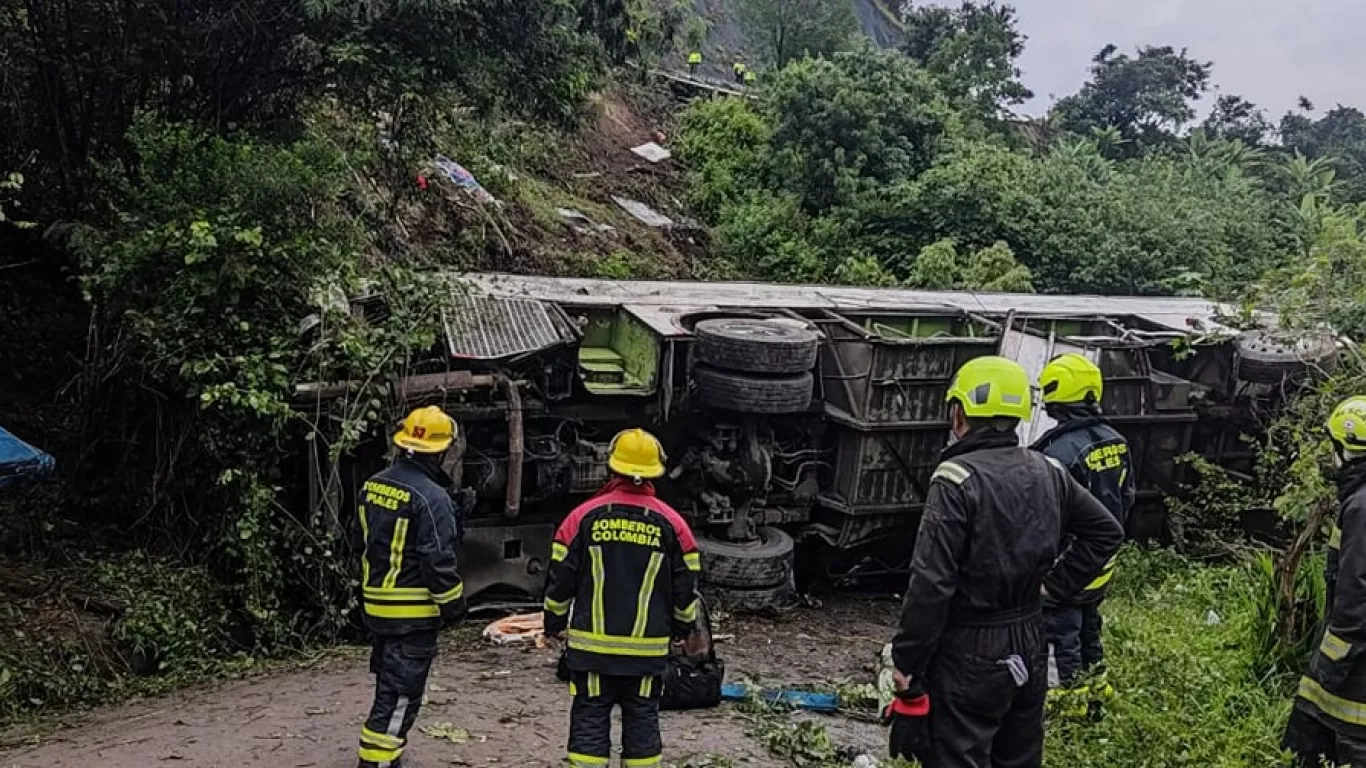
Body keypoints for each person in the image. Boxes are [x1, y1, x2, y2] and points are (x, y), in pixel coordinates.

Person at [887, 356, 1124, 768]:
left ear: (959, 412)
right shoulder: (1048, 468)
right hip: (1029, 641)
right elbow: (1106, 531)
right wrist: (1054, 587)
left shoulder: (956, 479)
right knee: (1019, 758)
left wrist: (907, 666)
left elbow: (931, 584)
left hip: (970, 650)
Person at [543, 428, 702, 768]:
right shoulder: (674, 525)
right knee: (643, 719)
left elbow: (559, 581)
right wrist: (683, 628)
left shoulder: (581, 518)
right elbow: (686, 589)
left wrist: (553, 623)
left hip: (592, 650)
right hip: (645, 653)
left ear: (611, 468)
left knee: (590, 717)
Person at [353, 406, 469, 768]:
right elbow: (437, 561)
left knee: (388, 684)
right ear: (441, 450)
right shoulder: (432, 498)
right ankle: (376, 761)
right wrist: (454, 607)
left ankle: (384, 756)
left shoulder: (373, 485)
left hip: (376, 607)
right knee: (401, 693)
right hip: (413, 613)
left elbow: (359, 541)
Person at [1031, 354, 1135, 711]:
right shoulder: (1116, 441)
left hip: (1065, 569)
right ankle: (1095, 699)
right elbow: (1127, 497)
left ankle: (1066, 708)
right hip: (1099, 565)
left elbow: (1045, 515)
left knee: (1061, 638)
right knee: (1089, 630)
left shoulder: (1057, 452)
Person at [1283, 396, 1366, 767]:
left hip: (1354, 660)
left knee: (1340, 737)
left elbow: (1355, 593)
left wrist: (1332, 661)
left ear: (1346, 450)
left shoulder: (1362, 507)